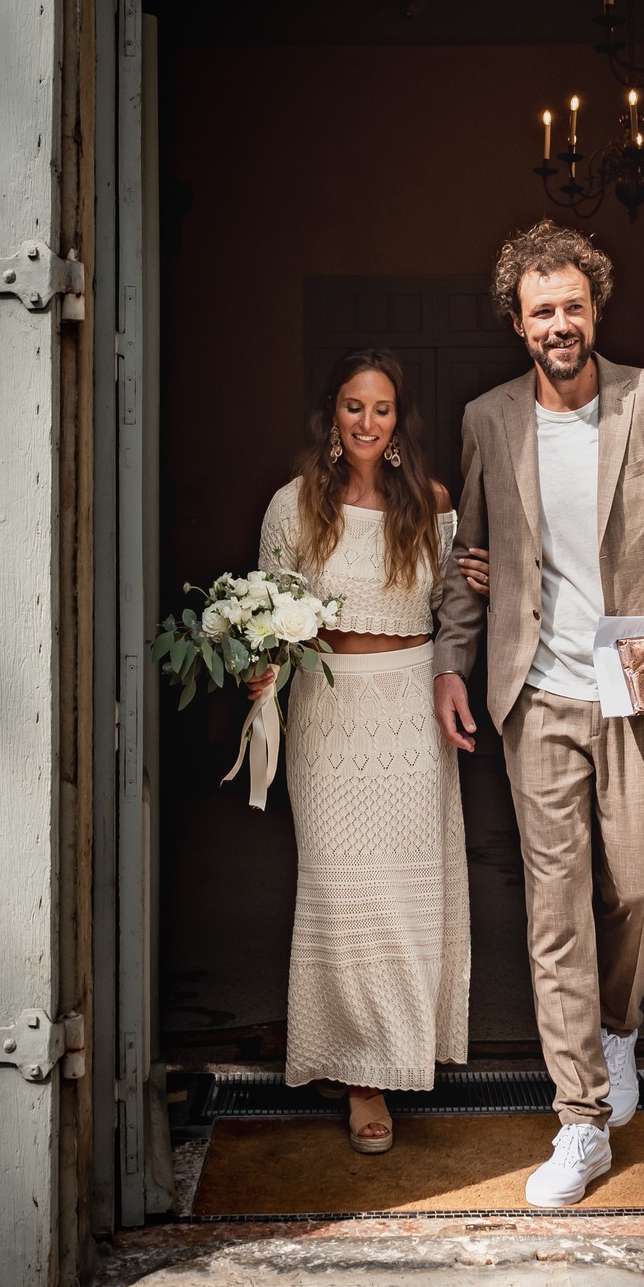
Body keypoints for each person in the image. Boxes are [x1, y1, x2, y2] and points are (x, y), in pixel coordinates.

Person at [435, 220, 644, 1208]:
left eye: (572, 306)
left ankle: (620, 1027)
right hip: (538, 696)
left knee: (637, 886)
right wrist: (453, 664)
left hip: (643, 686)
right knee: (553, 910)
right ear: (517, 323)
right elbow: (468, 562)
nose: (557, 324)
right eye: (540, 311)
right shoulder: (488, 419)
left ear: (593, 309)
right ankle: (582, 1119)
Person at [251, 349, 469, 1154]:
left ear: (399, 420)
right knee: (343, 894)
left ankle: (401, 1052)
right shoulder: (293, 505)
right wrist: (258, 667)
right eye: (353, 407)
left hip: (411, 708)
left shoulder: (433, 503)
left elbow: (456, 608)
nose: (367, 422)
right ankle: (360, 1078)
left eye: (381, 409)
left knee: (404, 897)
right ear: (332, 416)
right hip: (327, 711)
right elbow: (268, 610)